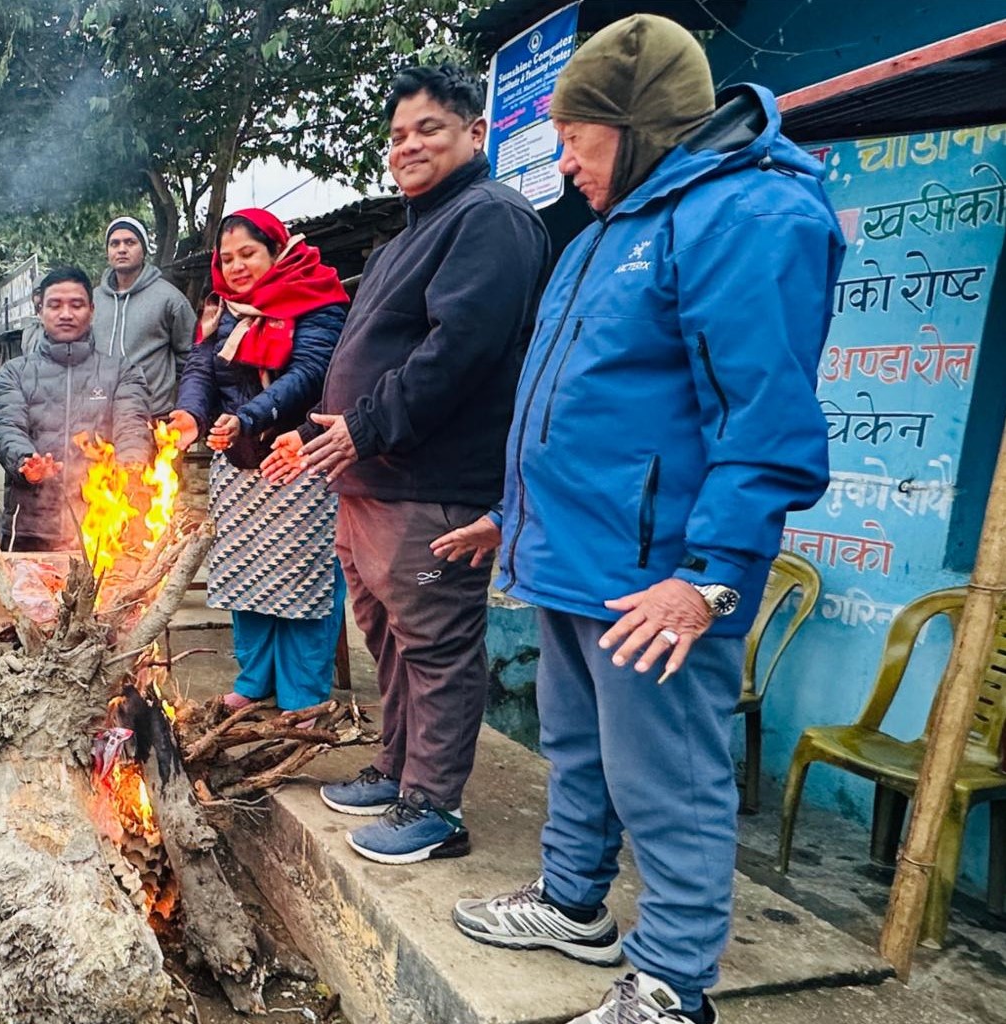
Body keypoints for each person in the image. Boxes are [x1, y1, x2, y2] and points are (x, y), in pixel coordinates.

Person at [432, 17, 842, 1024]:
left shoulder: (748, 215)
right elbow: (582, 408)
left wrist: (710, 577)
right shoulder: (612, 229)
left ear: (640, 123)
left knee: (670, 778)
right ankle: (574, 904)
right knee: (576, 747)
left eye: (578, 136)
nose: (563, 159)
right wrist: (509, 515)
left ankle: (671, 981)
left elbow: (765, 422)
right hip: (573, 554)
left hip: (656, 574)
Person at [266, 65, 551, 864]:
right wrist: (326, 430)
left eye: (428, 128)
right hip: (372, 481)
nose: (409, 146)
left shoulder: (491, 218)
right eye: (397, 136)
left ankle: (436, 807)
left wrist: (366, 425)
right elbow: (367, 356)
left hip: (433, 484)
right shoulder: (407, 235)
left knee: (435, 645)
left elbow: (457, 351)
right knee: (388, 639)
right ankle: (397, 770)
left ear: (474, 131)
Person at [167, 209, 348, 715]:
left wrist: (247, 416)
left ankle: (303, 694)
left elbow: (312, 372)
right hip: (240, 462)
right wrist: (190, 413)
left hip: (300, 458)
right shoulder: (224, 309)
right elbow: (202, 366)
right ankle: (253, 681)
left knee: (304, 581)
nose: (238, 266)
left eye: (249, 253)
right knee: (248, 578)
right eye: (228, 258)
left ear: (276, 250)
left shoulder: (318, 299)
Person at [0, 266, 153, 552]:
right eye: (55, 305)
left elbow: (133, 426)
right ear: (40, 311)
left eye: (76, 305)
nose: (66, 313)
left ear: (91, 309)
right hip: (30, 529)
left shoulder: (122, 372)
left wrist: (131, 464)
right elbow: (6, 426)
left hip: (104, 526)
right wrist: (26, 462)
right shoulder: (14, 373)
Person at [93, 217, 196, 417]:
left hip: (153, 417)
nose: (122, 249)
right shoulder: (93, 299)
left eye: (130, 242)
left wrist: (171, 397)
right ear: (108, 252)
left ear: (144, 249)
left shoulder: (170, 298)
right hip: (101, 418)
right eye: (115, 243)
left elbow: (190, 357)